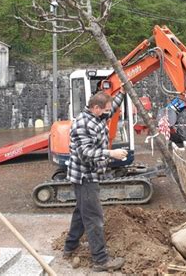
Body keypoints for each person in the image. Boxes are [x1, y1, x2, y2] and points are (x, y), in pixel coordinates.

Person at [63, 91, 127, 272]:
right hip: (85, 176)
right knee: (94, 218)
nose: (109, 112)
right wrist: (110, 153)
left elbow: (112, 109)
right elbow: (85, 154)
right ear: (96, 108)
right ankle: (100, 260)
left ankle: (70, 246)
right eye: (105, 110)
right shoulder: (83, 124)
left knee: (81, 213)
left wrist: (123, 92)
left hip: (90, 174)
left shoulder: (97, 116)